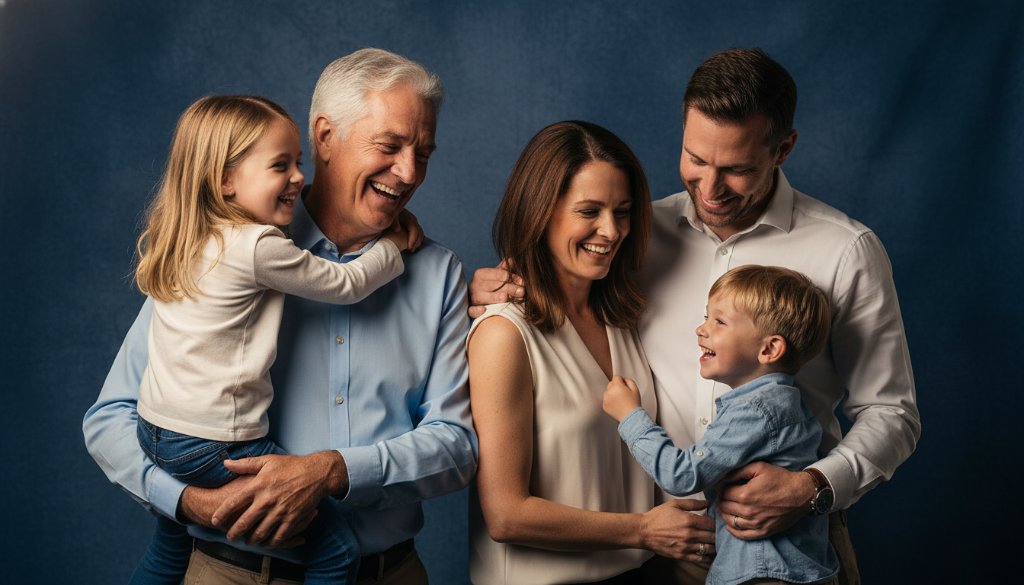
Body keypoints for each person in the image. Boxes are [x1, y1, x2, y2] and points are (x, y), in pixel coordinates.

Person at [469, 48, 921, 585]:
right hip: (665, 554)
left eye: (736, 169)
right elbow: (558, 268)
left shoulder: (845, 250)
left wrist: (812, 487)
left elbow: (892, 413)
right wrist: (494, 284)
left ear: (783, 149)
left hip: (791, 547)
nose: (710, 189)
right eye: (696, 160)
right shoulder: (635, 234)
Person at [84, 48, 477, 585]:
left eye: (423, 153)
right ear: (325, 136)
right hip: (232, 570)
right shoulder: (219, 254)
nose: (409, 172)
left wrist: (334, 470)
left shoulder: (439, 275)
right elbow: (113, 417)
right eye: (389, 145)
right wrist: (189, 503)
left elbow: (456, 445)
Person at [128, 94, 415, 585]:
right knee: (336, 551)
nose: (299, 178)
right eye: (281, 166)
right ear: (224, 179)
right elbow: (345, 284)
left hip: (155, 432)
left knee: (171, 546)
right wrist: (393, 245)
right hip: (214, 443)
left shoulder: (186, 236)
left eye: (299, 162)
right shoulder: (256, 245)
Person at [468, 120, 711, 585]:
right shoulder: (504, 334)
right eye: (589, 211)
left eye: (622, 211)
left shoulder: (620, 319)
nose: (611, 230)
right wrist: (644, 529)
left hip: (639, 574)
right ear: (541, 211)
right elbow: (505, 515)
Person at [604, 265, 839, 585]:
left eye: (719, 321)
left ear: (769, 349)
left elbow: (682, 474)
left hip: (764, 575)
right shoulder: (787, 403)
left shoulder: (755, 411)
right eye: (705, 317)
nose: (701, 330)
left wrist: (630, 415)